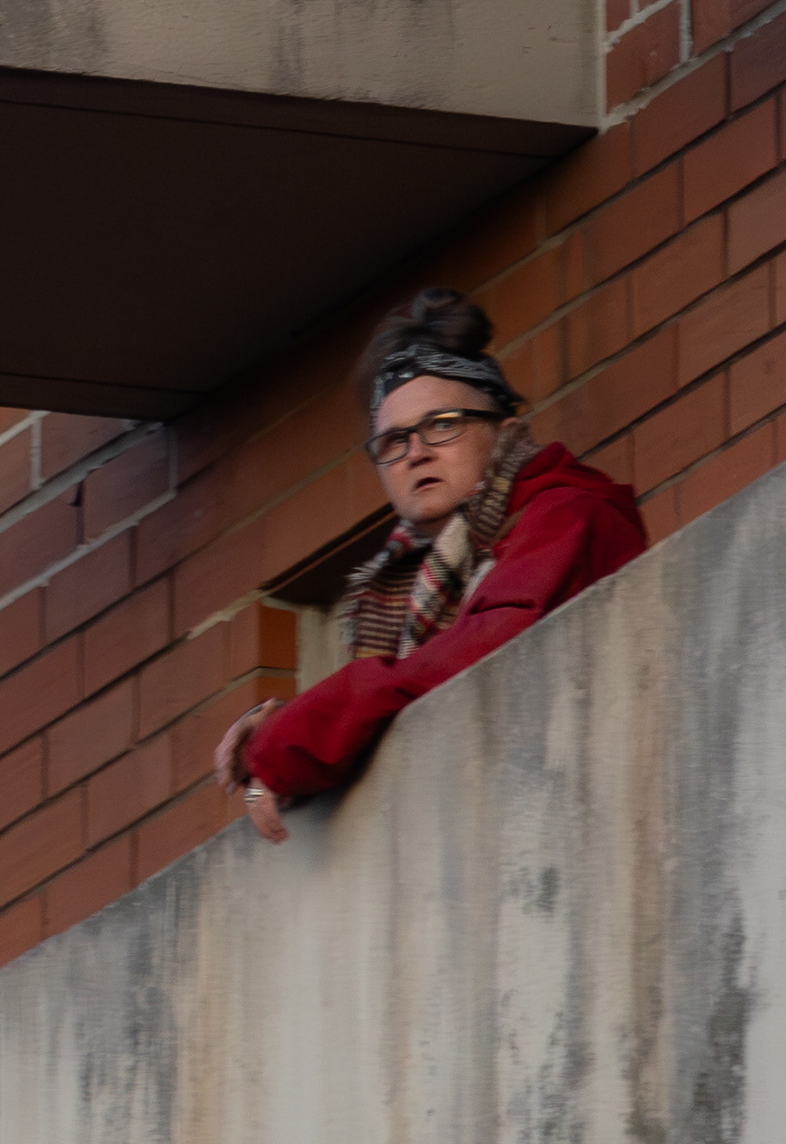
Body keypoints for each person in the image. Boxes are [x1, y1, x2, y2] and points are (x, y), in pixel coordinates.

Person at [213, 288, 648, 841]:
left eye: (442, 424)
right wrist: (288, 737)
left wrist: (287, 739)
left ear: (504, 430)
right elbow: (408, 687)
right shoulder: (403, 585)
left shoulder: (569, 513)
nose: (416, 452)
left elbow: (472, 656)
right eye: (393, 441)